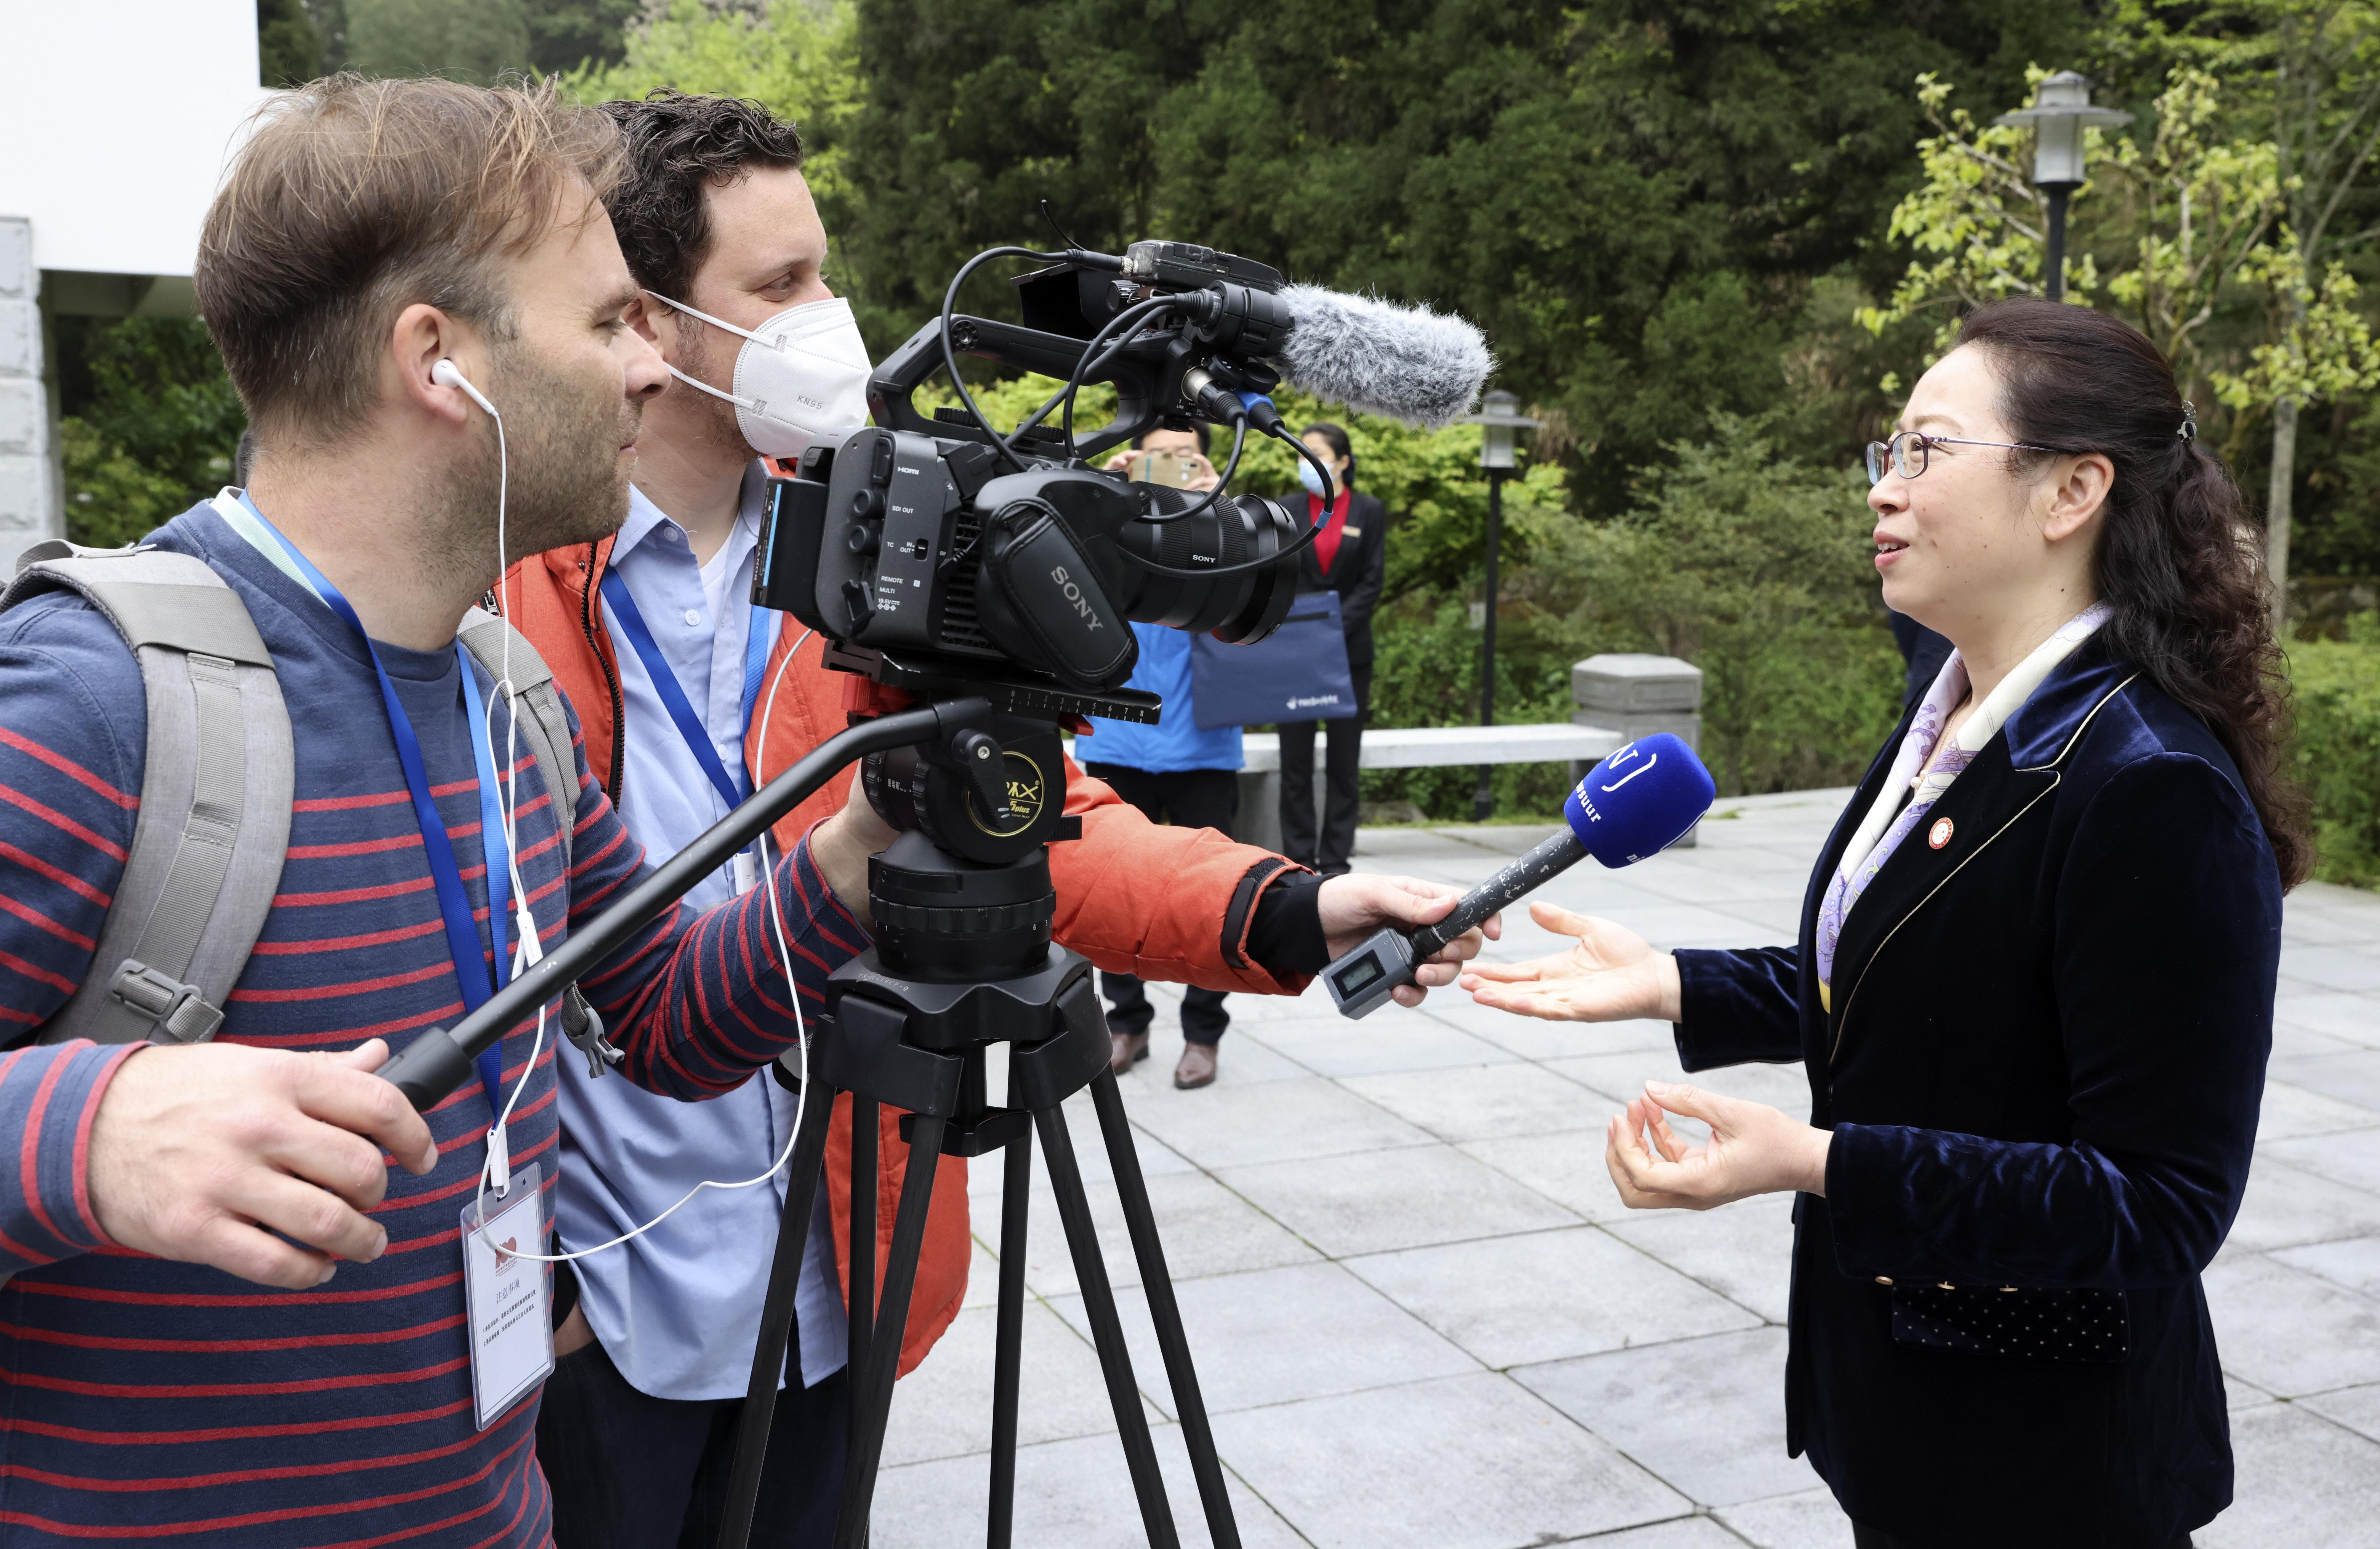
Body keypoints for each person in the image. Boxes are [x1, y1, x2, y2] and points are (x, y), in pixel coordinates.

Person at [498, 92, 1494, 1547]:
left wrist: (1286, 907)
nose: (830, 317)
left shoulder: (886, 537)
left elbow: (1044, 815)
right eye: (779, 288)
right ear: (645, 318)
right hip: (592, 1303)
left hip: (832, 1258)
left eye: (824, 272)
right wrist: (527, 1268)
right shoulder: (509, 565)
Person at [0, 74, 922, 1546]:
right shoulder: (100, 700)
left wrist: (865, 838)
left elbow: (667, 1013)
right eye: (612, 319)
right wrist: (79, 1130)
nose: (648, 368)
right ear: (442, 360)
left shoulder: (502, 699)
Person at [1461, 299, 2302, 1549]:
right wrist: (1677, 984)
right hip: (1912, 1401)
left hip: (2049, 1454)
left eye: (1926, 451)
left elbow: (2159, 1203)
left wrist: (1816, 1160)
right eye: (1885, 453)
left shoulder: (2147, 786)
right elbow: (1927, 974)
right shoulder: (1955, 701)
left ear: (2072, 490)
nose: (1883, 489)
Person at [1086, 425, 1244, 1090]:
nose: (1168, 468)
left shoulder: (1226, 520)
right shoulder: (1109, 514)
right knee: (1109, 891)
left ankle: (1204, 1031)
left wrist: (1220, 508)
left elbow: (1251, 607)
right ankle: (1126, 1020)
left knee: (1216, 893)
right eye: (1157, 455)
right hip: (1118, 734)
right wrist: (1104, 490)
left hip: (1203, 737)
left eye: (1182, 457)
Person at [1275, 421, 1385, 875]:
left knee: (1344, 762)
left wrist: (1333, 629)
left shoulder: (1368, 510)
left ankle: (1337, 861)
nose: (1307, 460)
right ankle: (1299, 858)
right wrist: (1304, 632)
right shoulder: (1285, 508)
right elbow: (1277, 576)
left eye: (1316, 452)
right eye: (1303, 452)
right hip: (1296, 654)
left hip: (1348, 654)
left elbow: (1372, 581)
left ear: (1342, 461)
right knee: (1295, 763)